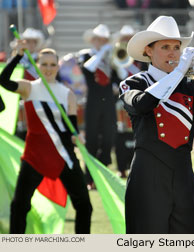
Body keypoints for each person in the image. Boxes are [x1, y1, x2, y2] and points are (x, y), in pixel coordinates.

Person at [120, 16, 194, 233]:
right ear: (148, 50)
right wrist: (178, 72)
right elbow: (143, 104)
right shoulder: (134, 83)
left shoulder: (191, 87)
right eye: (165, 47)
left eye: (176, 47)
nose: (173, 53)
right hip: (148, 176)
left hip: (183, 175)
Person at [0, 40, 92, 234]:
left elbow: (72, 129)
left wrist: (77, 137)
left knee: (84, 205)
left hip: (63, 155)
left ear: (58, 66)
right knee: (19, 206)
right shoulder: (28, 88)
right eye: (44, 64)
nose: (48, 68)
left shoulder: (68, 94)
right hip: (34, 156)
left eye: (52, 64)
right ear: (37, 65)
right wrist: (17, 56)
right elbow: (3, 80)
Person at [78, 24, 118, 189]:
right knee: (91, 141)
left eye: (104, 40)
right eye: (99, 39)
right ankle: (89, 178)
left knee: (109, 138)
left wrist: (113, 59)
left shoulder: (111, 57)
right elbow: (88, 68)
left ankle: (101, 172)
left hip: (109, 101)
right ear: (93, 40)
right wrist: (102, 52)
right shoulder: (86, 55)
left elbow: (121, 75)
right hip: (93, 102)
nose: (101, 42)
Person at [112, 25, 147, 178]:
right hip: (119, 101)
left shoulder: (141, 58)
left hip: (137, 99)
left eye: (130, 38)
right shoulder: (114, 56)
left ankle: (138, 166)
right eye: (124, 38)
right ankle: (121, 167)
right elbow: (112, 77)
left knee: (139, 133)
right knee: (120, 135)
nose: (127, 41)